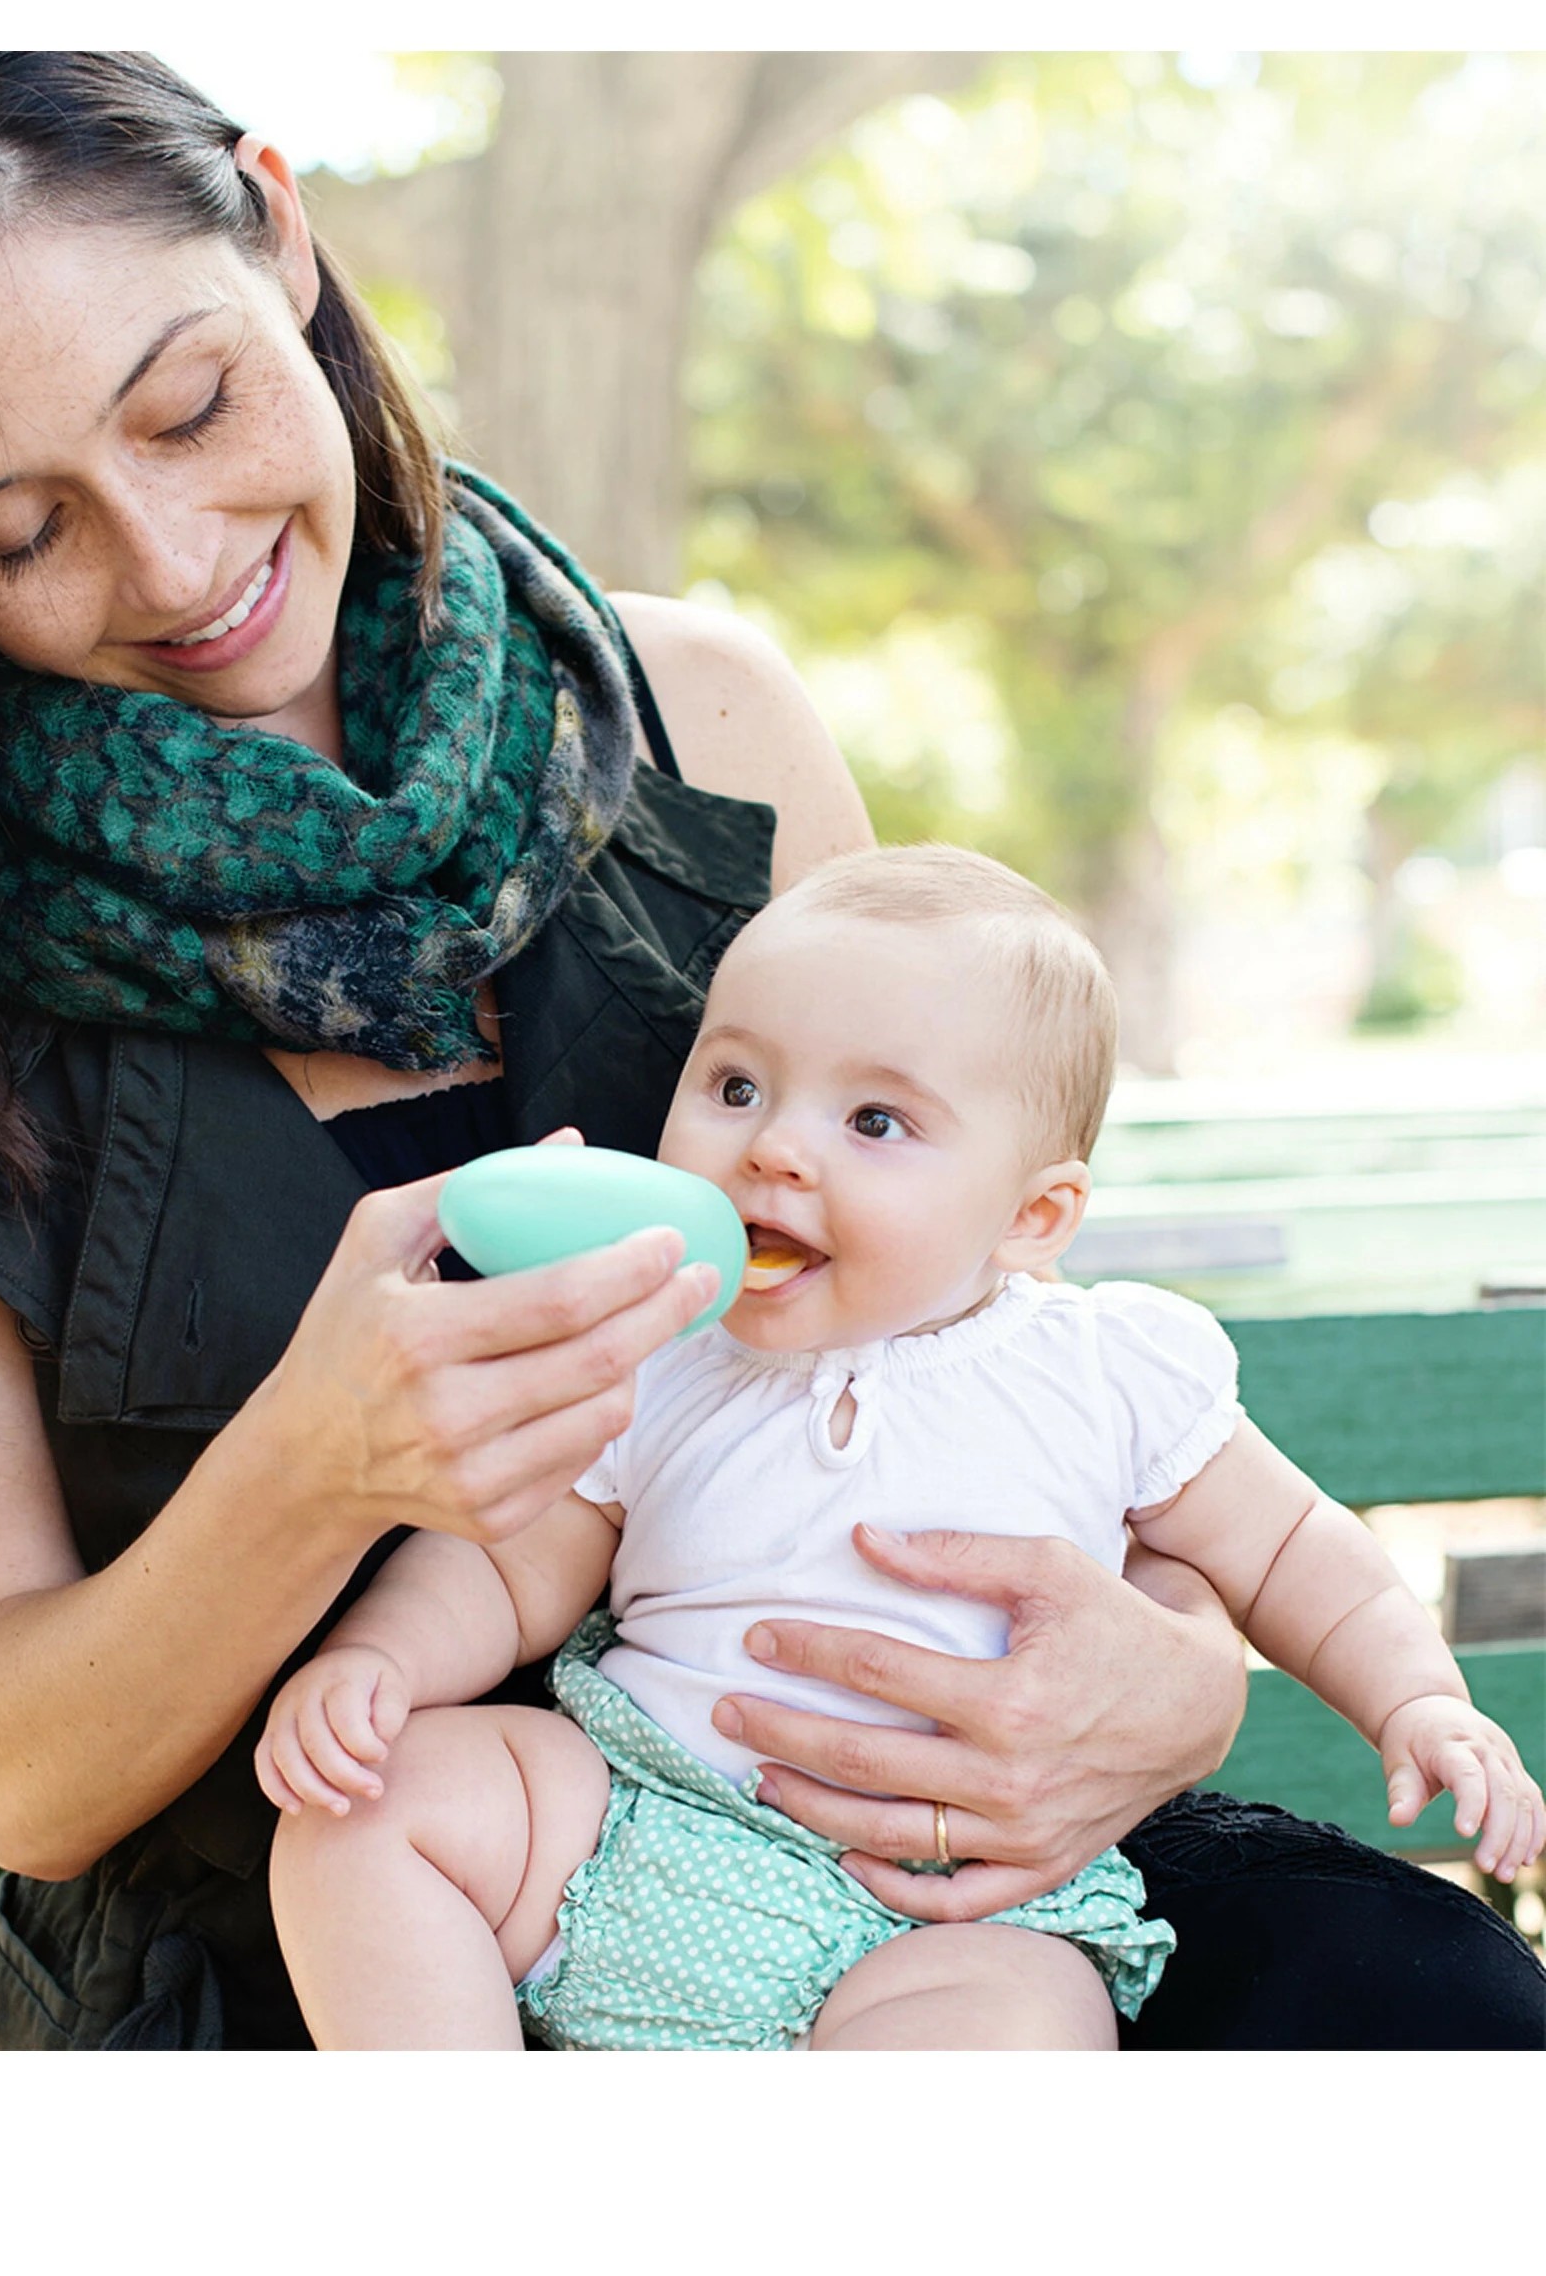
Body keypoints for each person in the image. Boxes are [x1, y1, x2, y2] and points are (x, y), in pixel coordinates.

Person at [0, 52, 1544, 2051]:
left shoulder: (703, 717)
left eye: (191, 406)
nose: (176, 563)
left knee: (1427, 2011)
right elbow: (15, 1763)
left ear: (279, 227)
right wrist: (317, 1469)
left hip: (878, 1869)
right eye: (18, 532)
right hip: (336, 1932)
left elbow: (996, 1351)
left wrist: (1177, 1684)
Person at [258, 847, 1546, 2048]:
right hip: (633, 1823)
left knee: (1022, 2018)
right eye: (737, 1086)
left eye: (874, 1122)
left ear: (1034, 1215)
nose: (773, 1146)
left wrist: (1417, 1697)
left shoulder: (1105, 1369)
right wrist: (381, 1664)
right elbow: (504, 1564)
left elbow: (1295, 1550)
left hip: (947, 1913)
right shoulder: (660, 1349)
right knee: (366, 1815)